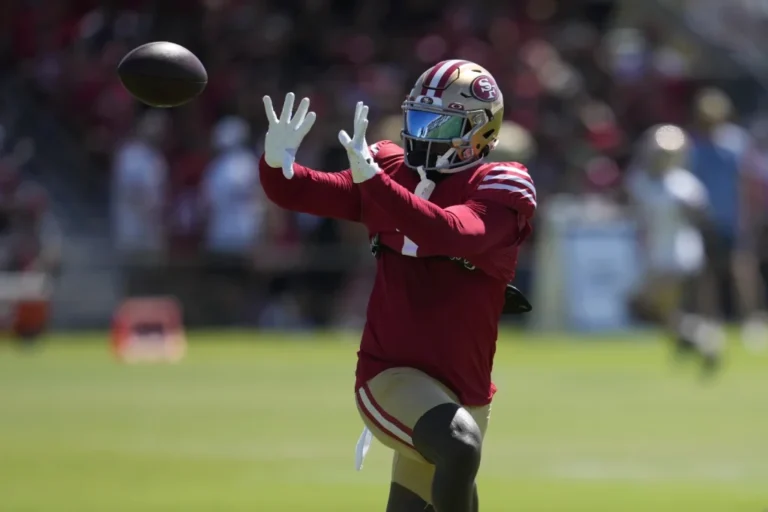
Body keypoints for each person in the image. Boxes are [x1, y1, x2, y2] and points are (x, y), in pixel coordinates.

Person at [259, 61, 536, 512]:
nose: (422, 132)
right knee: (459, 445)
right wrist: (277, 165)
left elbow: (452, 232)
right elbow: (304, 193)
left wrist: (378, 185)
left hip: (464, 387)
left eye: (438, 121)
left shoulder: (501, 184)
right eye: (417, 118)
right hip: (390, 375)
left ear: (480, 129)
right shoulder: (389, 166)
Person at [626, 124, 721, 375]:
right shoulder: (641, 181)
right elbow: (635, 213)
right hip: (656, 253)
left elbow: (703, 217)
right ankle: (693, 339)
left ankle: (703, 338)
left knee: (647, 305)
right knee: (654, 309)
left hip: (678, 254)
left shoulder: (684, 185)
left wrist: (690, 210)